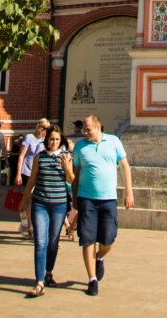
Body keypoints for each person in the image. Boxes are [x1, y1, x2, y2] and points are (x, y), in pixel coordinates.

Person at [72, 114, 134, 297]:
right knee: (87, 239)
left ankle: (99, 256)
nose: (85, 132)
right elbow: (75, 173)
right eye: (84, 129)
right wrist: (75, 200)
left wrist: (129, 192)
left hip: (108, 199)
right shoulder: (79, 146)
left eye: (88, 129)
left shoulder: (114, 142)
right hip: (86, 199)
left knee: (108, 239)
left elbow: (124, 166)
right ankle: (92, 280)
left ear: (98, 128)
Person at [20, 124, 75, 296]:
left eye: (57, 140)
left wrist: (66, 167)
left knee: (53, 241)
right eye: (51, 139)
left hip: (59, 205)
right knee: (40, 242)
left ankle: (49, 272)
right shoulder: (40, 157)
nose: (54, 142)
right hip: (40, 203)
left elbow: (71, 180)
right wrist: (23, 200)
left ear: (61, 141)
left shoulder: (66, 156)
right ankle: (39, 282)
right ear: (46, 140)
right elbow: (32, 180)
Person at [16, 118, 49, 187]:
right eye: (44, 128)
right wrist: (18, 174)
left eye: (47, 129)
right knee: (31, 193)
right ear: (39, 127)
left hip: (40, 173)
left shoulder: (46, 141)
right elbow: (21, 156)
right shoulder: (29, 138)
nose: (45, 130)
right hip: (28, 172)